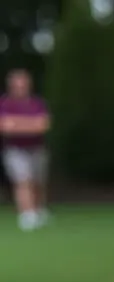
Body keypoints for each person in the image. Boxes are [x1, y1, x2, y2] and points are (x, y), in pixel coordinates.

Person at [0, 69, 50, 231]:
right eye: (17, 85)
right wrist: (30, 124)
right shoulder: (4, 104)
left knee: (37, 182)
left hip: (37, 148)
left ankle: (38, 209)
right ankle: (27, 214)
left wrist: (16, 124)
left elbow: (43, 125)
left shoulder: (37, 103)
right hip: (14, 149)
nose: (20, 88)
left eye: (23, 84)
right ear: (11, 86)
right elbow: (4, 126)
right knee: (23, 180)